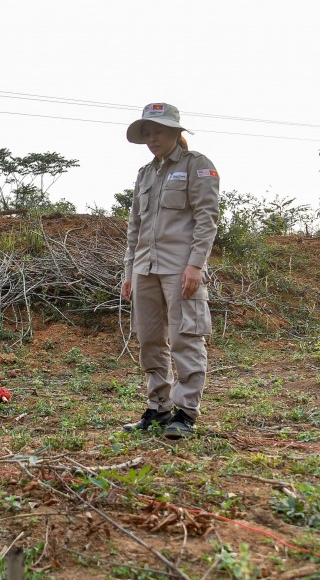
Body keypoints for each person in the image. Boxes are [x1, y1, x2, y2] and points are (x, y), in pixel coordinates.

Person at [120, 103, 219, 440]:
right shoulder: (145, 174)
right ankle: (158, 408)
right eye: (148, 132)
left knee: (184, 337)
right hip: (145, 267)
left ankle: (186, 412)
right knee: (149, 339)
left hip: (180, 267)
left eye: (159, 131)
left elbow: (207, 218)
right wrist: (129, 272)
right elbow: (135, 226)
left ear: (177, 133)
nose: (152, 138)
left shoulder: (197, 166)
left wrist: (195, 265)